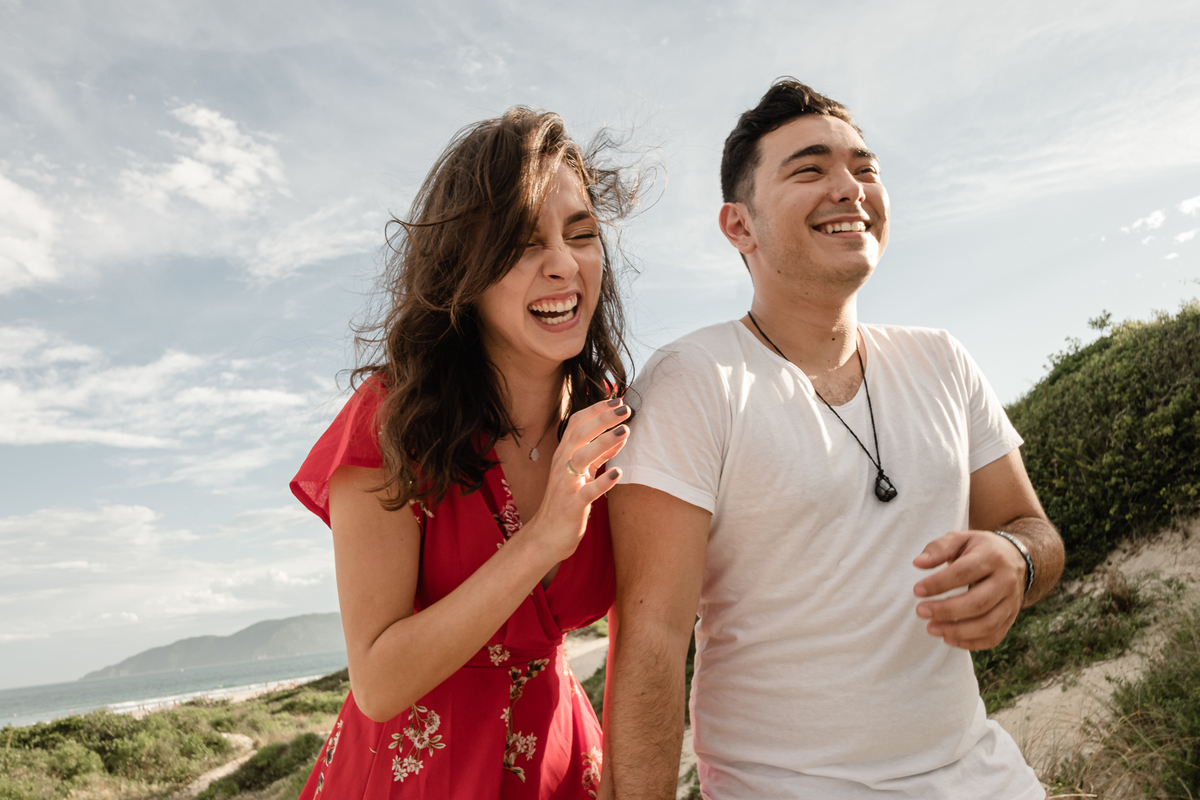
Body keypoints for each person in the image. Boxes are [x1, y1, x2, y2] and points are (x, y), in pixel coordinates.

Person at [603, 80, 1066, 799]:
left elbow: (1033, 529)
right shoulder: (691, 381)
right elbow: (652, 637)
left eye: (865, 168)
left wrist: (1017, 559)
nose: (850, 188)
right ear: (739, 226)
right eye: (810, 169)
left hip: (983, 775)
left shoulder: (942, 360)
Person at [289, 107, 637, 799]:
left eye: (582, 235)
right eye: (523, 243)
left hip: (563, 765)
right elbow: (378, 681)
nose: (564, 264)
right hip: (417, 773)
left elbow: (646, 629)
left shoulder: (609, 414)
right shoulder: (394, 421)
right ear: (464, 271)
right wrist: (540, 541)